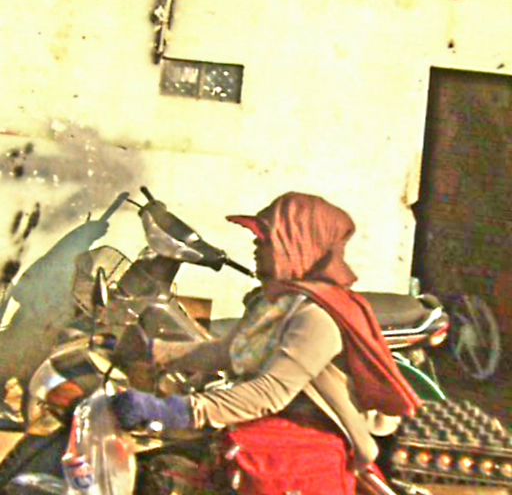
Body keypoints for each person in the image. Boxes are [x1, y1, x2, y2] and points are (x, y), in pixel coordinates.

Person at [111, 192, 422, 495]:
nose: (255, 247)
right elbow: (228, 351)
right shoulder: (274, 302)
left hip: (303, 457)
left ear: (297, 245)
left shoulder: (317, 316)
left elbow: (270, 393)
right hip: (268, 437)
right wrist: (155, 352)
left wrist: (177, 410)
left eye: (266, 241)